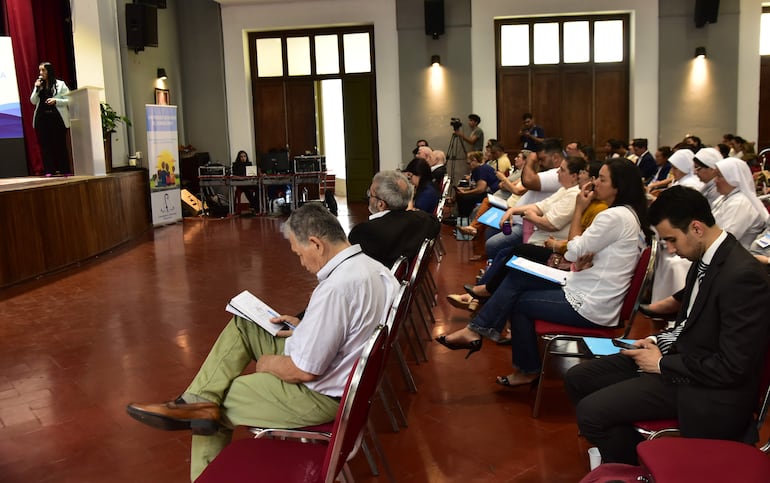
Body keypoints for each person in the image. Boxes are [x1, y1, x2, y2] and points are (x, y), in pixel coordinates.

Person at [126, 203, 399, 480]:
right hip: (342, 377)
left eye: (299, 253)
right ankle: (196, 399)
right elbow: (352, 328)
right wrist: (307, 327)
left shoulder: (335, 289)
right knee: (245, 324)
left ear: (316, 243)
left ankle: (203, 430)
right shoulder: (376, 270)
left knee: (220, 403)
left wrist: (268, 364)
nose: (302, 263)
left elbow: (303, 371)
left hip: (318, 394)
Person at [565, 186, 770, 465]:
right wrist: (657, 342)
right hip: (678, 360)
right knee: (579, 378)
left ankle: (638, 466)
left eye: (672, 240)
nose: (671, 249)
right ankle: (626, 450)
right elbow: (689, 324)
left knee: (591, 413)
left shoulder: (743, 277)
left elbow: (732, 367)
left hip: (707, 388)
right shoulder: (705, 258)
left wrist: (661, 364)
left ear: (696, 228)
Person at [436, 159, 650, 388]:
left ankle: (521, 364)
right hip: (591, 289)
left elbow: (573, 251)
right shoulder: (626, 214)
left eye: (602, 179)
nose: (595, 182)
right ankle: (477, 331)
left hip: (591, 303)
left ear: (619, 187)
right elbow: (582, 252)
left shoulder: (614, 216)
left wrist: (579, 208)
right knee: (519, 273)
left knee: (519, 301)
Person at [348, 170, 440, 268]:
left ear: (381, 204)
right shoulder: (425, 220)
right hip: (402, 279)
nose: (368, 198)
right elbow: (436, 222)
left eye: (370, 195)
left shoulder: (364, 232)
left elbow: (352, 269)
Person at [711, 157, 768, 248]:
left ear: (733, 178)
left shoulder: (740, 203)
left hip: (732, 257)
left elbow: (722, 240)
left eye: (719, 176)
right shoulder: (726, 197)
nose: (715, 180)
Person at [30, 62, 70, 175]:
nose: (41, 73)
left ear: (49, 71)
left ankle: (65, 170)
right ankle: (49, 170)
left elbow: (70, 99)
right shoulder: (39, 85)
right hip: (42, 119)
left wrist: (56, 101)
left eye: (43, 70)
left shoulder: (60, 84)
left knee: (60, 144)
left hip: (57, 118)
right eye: (40, 70)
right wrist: (37, 88)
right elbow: (33, 101)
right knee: (45, 145)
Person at [452, 150, 499, 219]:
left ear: (474, 160)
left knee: (465, 198)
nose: (468, 166)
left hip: (492, 194)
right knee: (461, 195)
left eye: (469, 163)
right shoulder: (477, 169)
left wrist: (466, 193)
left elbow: (481, 189)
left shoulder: (482, 170)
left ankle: (465, 218)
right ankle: (460, 217)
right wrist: (464, 189)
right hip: (487, 191)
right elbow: (475, 186)